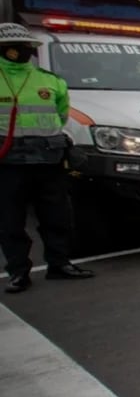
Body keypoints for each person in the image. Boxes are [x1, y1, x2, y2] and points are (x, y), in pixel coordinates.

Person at [0, 23, 94, 293]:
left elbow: (61, 116)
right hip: (8, 161)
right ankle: (18, 271)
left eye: (24, 45)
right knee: (10, 220)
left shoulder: (50, 80)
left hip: (48, 159)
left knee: (57, 216)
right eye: (14, 46)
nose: (21, 50)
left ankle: (60, 264)